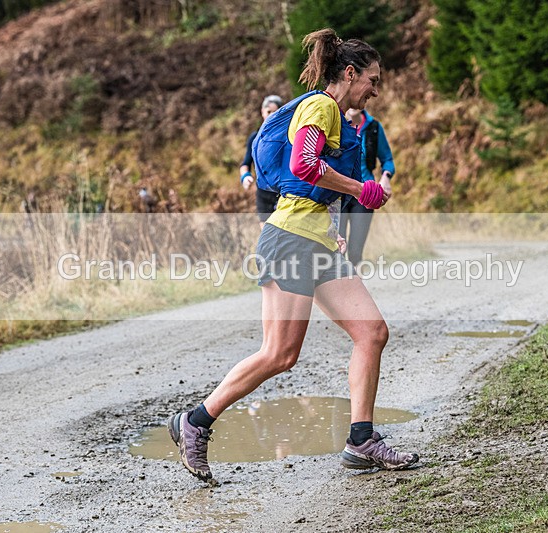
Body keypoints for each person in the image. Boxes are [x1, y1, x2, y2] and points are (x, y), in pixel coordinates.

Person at [168, 28, 419, 483]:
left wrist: (339, 231)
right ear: (349, 73)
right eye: (373, 79)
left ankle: (362, 439)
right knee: (280, 354)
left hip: (318, 241)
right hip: (289, 240)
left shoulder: (344, 121)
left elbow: (320, 184)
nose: (377, 89)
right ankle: (196, 421)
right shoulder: (319, 105)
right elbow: (304, 165)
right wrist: (361, 189)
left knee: (372, 332)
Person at [339, 107, 395, 265]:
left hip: (365, 194)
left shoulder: (374, 128)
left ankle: (354, 287)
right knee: (337, 249)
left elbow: (387, 159)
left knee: (356, 251)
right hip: (338, 193)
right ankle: (340, 287)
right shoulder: (337, 123)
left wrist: (385, 177)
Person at [239, 94, 283, 225]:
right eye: (269, 112)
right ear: (262, 112)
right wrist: (245, 176)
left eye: (275, 112)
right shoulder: (255, 138)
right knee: (266, 237)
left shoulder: (287, 135)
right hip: (263, 195)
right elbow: (245, 164)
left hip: (283, 194)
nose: (271, 115)